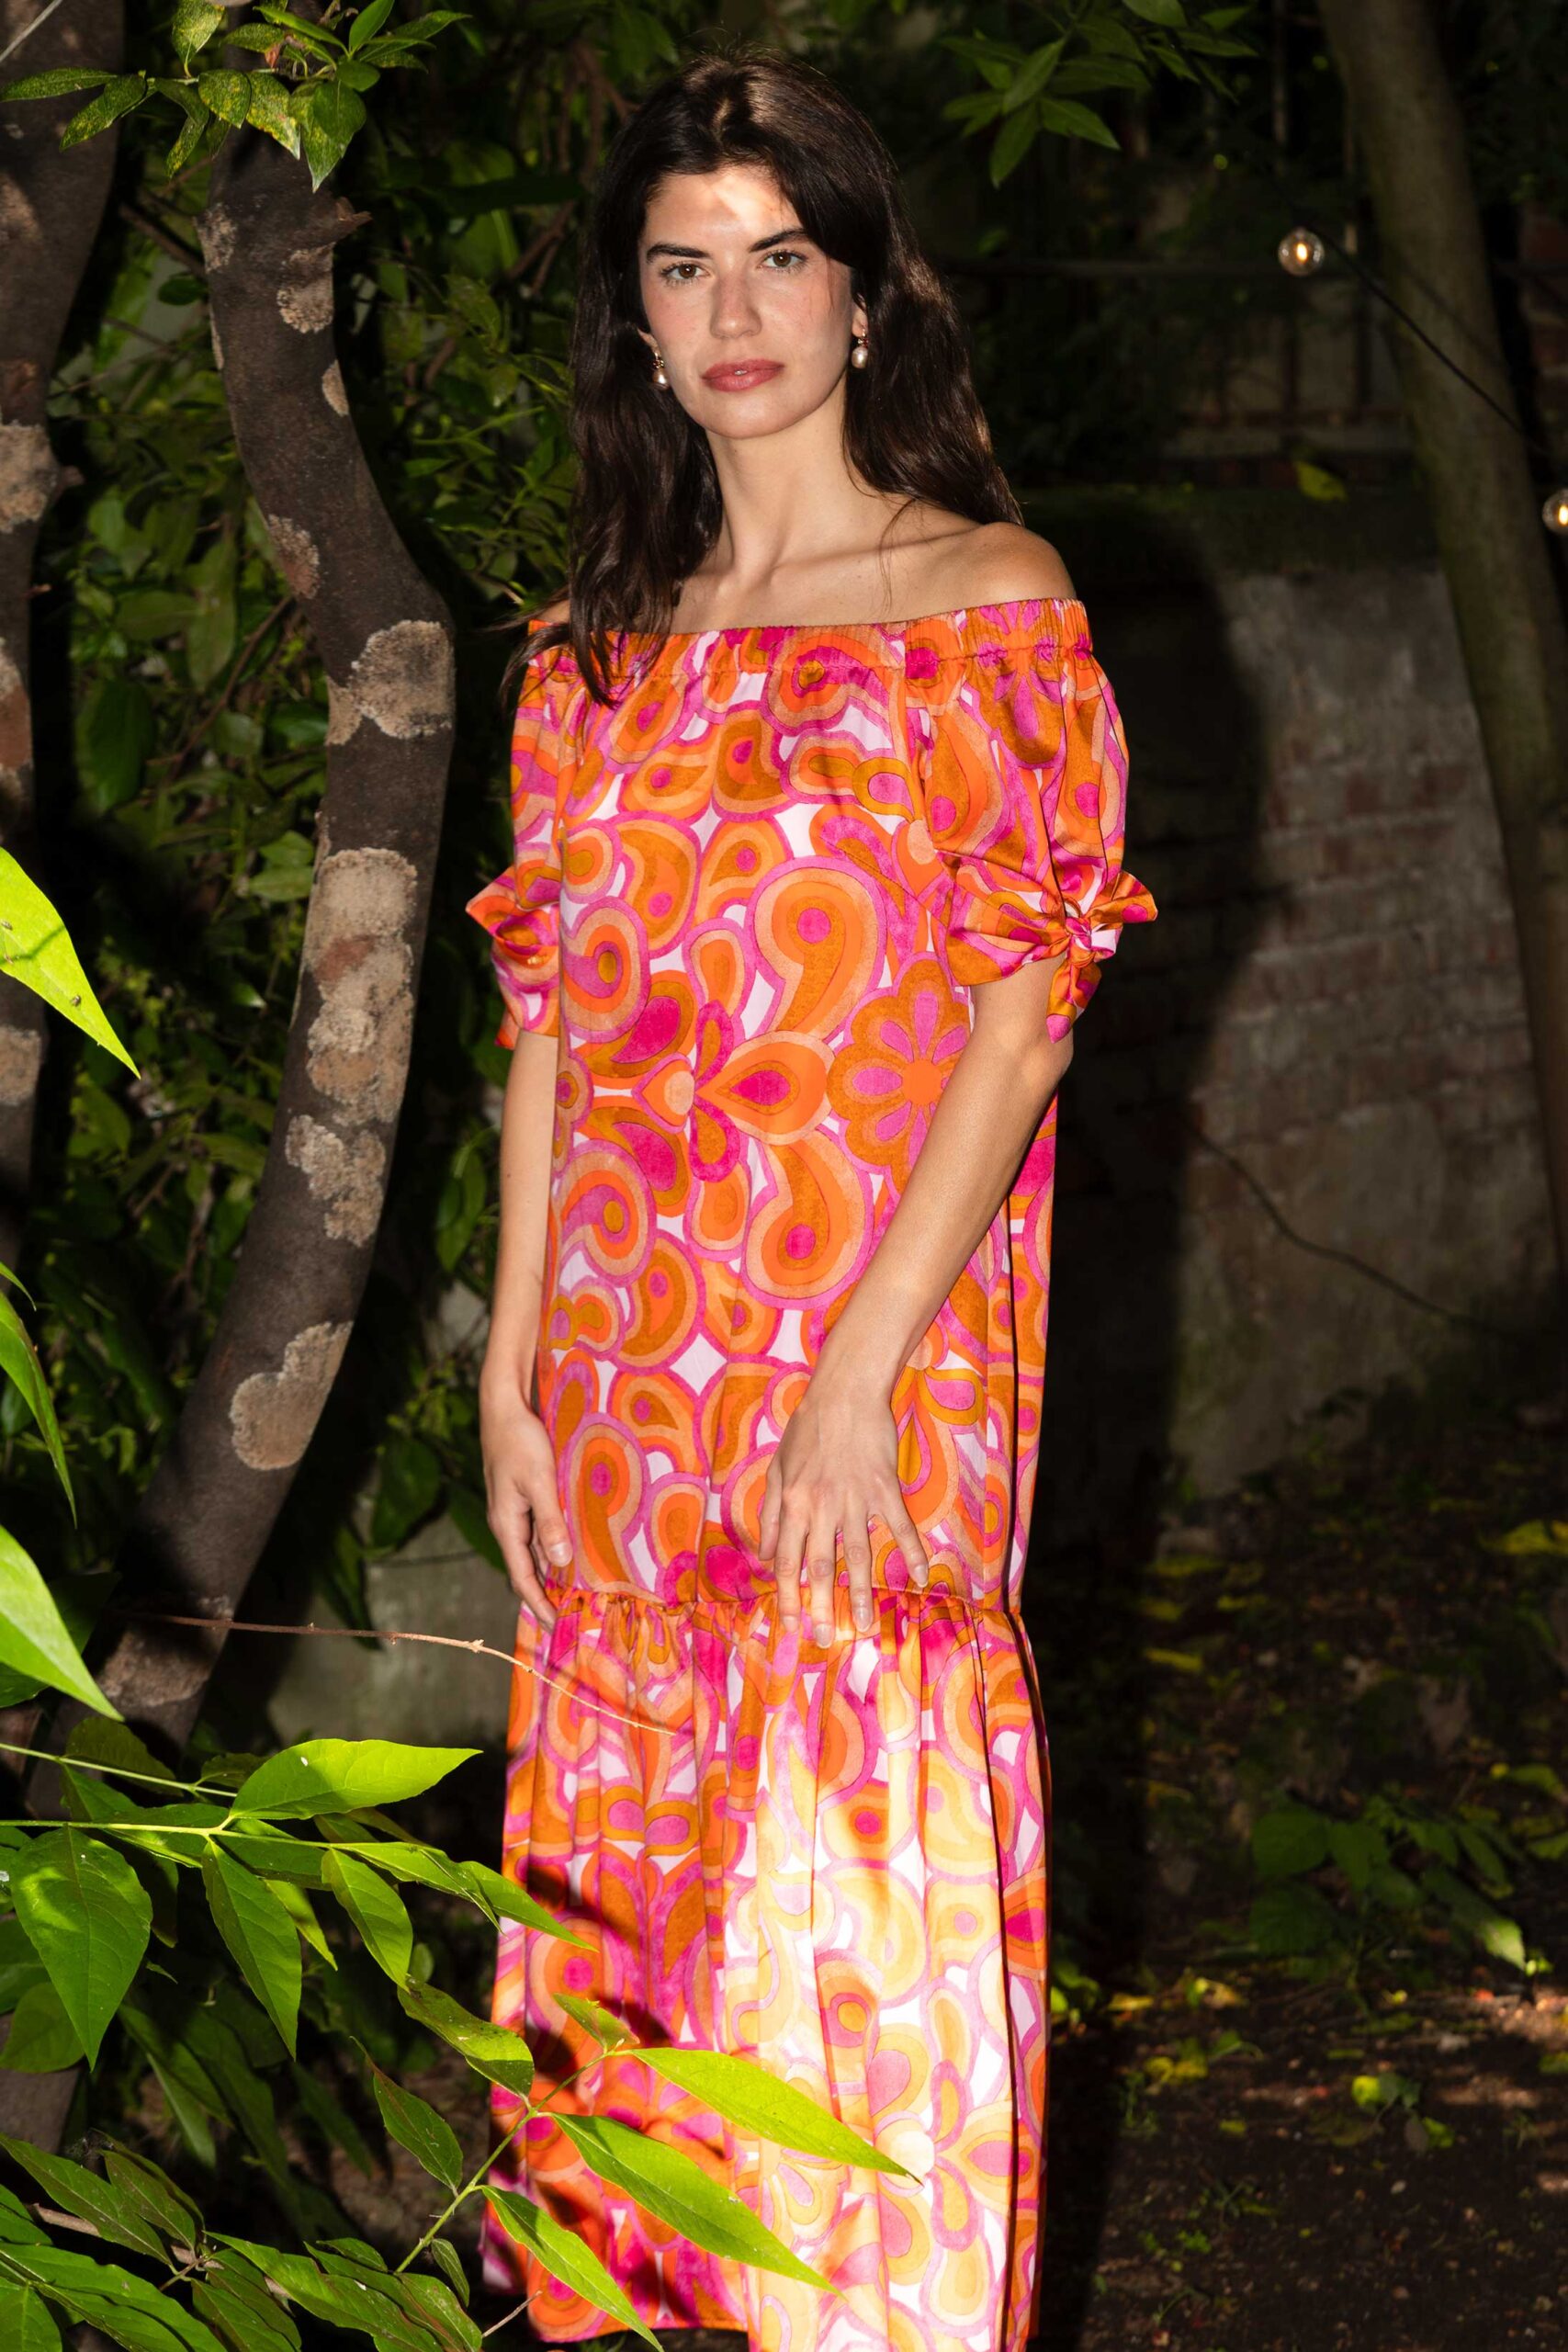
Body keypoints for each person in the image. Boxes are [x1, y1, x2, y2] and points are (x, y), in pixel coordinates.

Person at [468, 42, 1156, 2352]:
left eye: (779, 257)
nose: (736, 309)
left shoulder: (986, 599)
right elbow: (548, 1021)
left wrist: (857, 1370)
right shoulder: (589, 658)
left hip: (878, 1357)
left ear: (864, 297)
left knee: (845, 1877)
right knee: (637, 1896)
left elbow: (1025, 1012)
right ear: (635, 320)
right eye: (685, 268)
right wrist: (507, 1361)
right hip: (623, 1377)